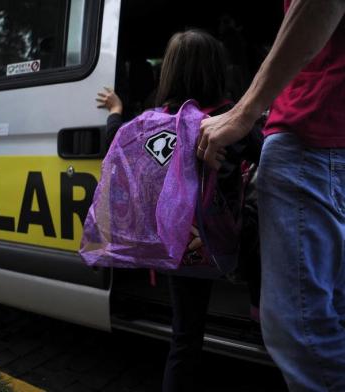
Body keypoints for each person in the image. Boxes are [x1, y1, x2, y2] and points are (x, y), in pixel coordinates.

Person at [97, 29, 260, 392]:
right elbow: (266, 156)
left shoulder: (147, 125)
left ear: (168, 72)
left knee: (184, 340)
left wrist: (117, 110)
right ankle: (259, 304)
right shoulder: (232, 121)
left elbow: (113, 143)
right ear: (219, 71)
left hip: (179, 248)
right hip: (225, 244)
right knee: (259, 217)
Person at [198, 1, 345, 390]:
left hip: (311, 133)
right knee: (334, 314)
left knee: (302, 332)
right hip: (331, 140)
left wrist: (244, 111)